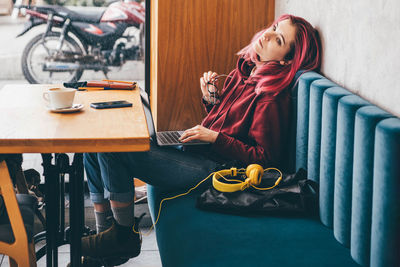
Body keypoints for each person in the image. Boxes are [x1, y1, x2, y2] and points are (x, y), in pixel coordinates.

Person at [78, 14, 322, 266]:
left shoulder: (271, 97)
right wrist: (212, 101)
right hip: (199, 154)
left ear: (287, 59)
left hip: (220, 173)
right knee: (97, 142)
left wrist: (215, 137)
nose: (267, 35)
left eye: (278, 39)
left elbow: (266, 158)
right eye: (273, 28)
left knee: (115, 148)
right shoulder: (248, 70)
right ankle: (105, 237)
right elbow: (231, 127)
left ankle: (122, 236)